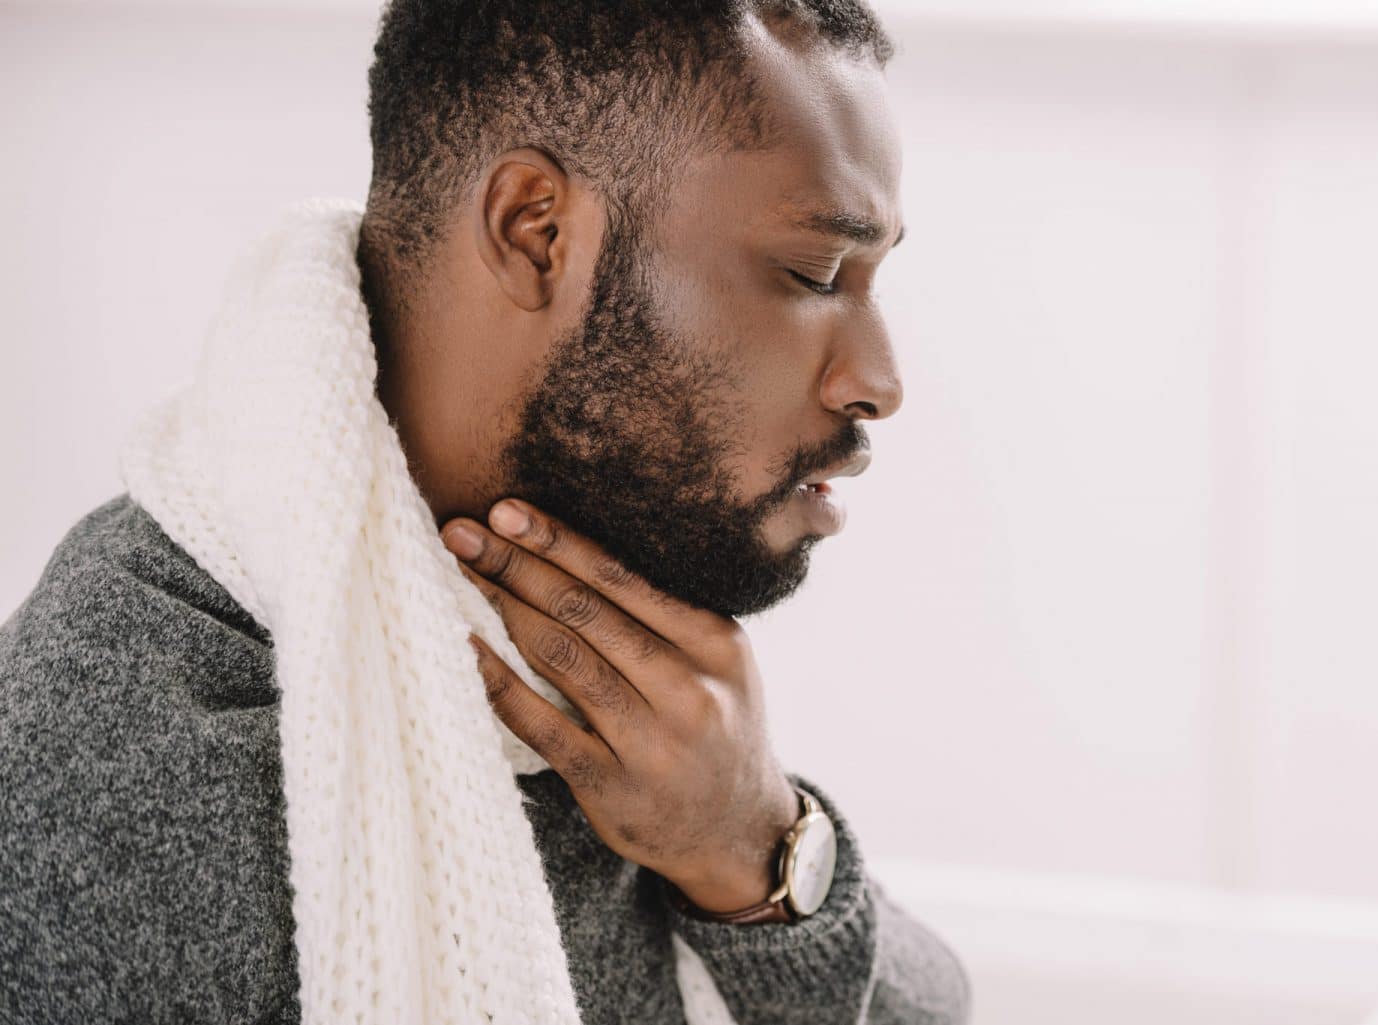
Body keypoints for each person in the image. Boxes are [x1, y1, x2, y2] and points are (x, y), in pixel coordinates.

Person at [0, 1, 972, 1022]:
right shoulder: (109, 789)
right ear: (536, 233)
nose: (879, 380)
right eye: (814, 273)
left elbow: (937, 999)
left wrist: (753, 848)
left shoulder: (626, 681)